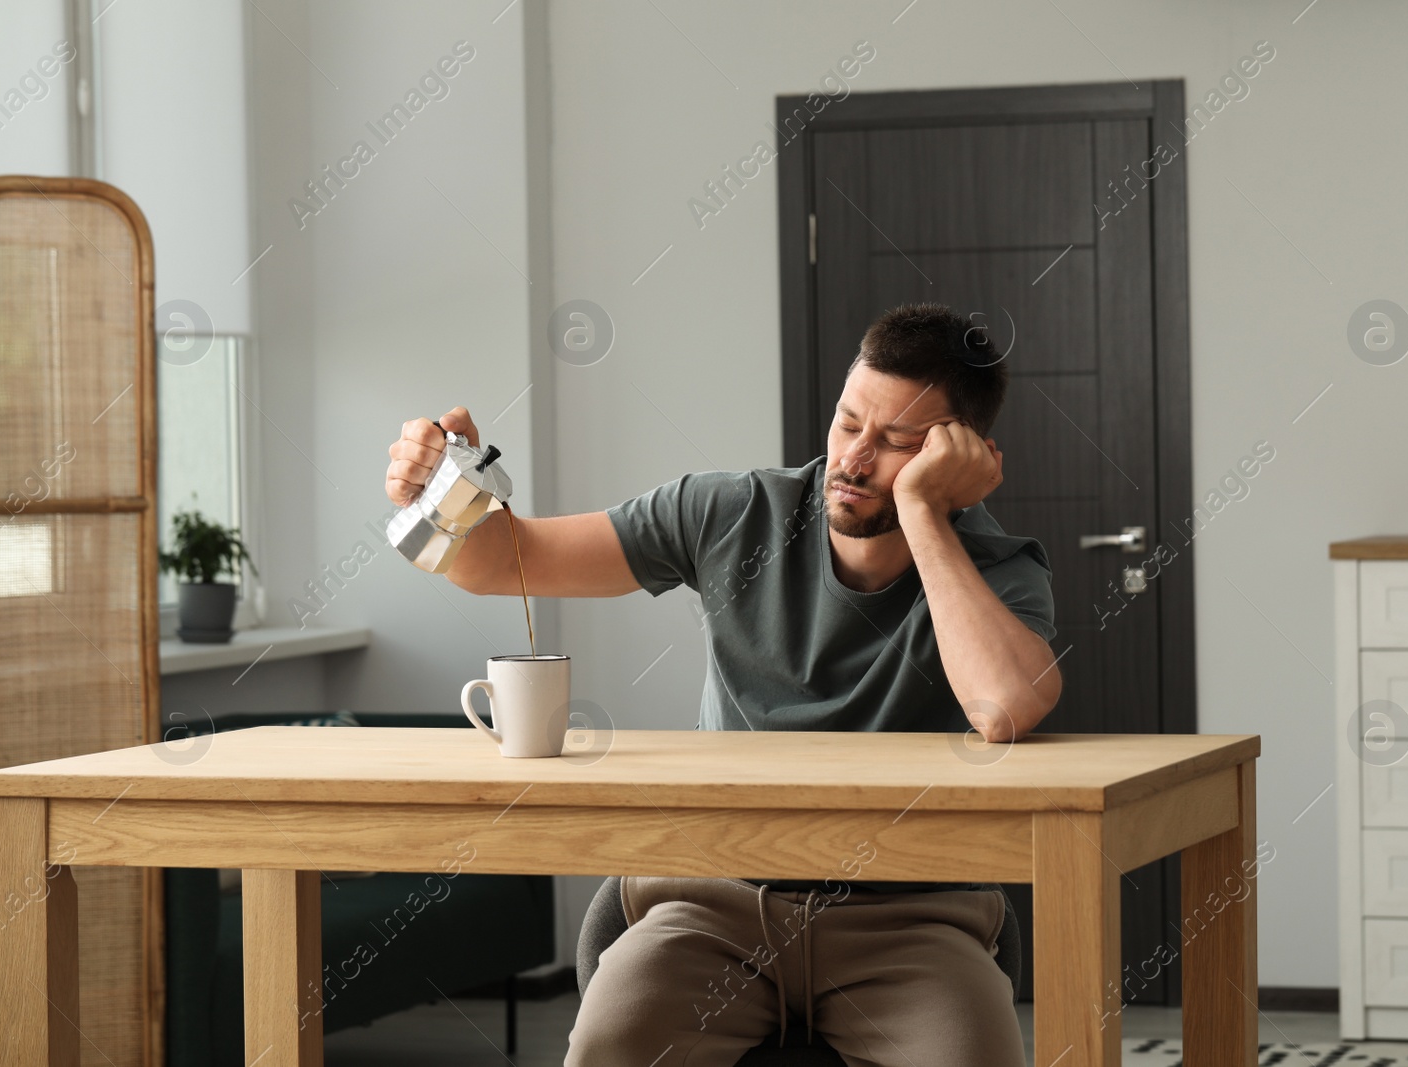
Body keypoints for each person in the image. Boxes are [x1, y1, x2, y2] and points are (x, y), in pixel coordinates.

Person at [384, 302, 1063, 1066]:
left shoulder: (999, 569)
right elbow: (500, 562)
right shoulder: (732, 514)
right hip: (712, 902)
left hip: (913, 918)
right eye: (847, 423)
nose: (855, 458)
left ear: (958, 459)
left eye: (898, 444)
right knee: (609, 1048)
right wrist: (440, 489)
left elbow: (1003, 707)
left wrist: (925, 514)